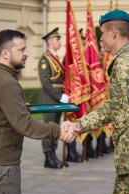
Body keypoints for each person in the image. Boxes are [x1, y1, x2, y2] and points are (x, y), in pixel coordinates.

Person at [63, 10, 129, 194]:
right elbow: (114, 106)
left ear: (113, 32)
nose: (101, 39)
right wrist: (80, 125)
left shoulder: (126, 63)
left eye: (103, 34)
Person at [0, 29, 78, 194]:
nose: (27, 54)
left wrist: (19, 107)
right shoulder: (6, 83)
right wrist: (58, 131)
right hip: (2, 164)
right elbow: (25, 125)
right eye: (21, 50)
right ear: (5, 53)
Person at [38, 27, 82, 168]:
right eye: (57, 39)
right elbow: (45, 82)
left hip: (57, 99)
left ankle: (53, 155)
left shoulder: (55, 57)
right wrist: (60, 96)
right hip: (49, 99)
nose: (59, 41)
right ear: (50, 41)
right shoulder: (45, 59)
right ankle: (48, 157)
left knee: (56, 128)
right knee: (48, 129)